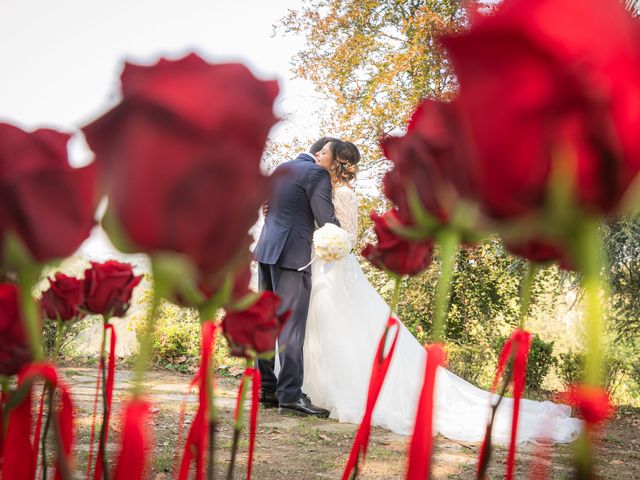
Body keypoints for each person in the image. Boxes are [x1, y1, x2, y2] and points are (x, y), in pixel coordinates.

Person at [302, 139, 582, 444]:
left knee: (344, 324)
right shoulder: (322, 187)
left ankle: (343, 390)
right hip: (322, 263)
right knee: (326, 323)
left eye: (324, 152)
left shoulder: (343, 193)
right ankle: (315, 388)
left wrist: (330, 241)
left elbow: (350, 234)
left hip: (337, 264)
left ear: (337, 162)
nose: (318, 154)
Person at [253, 136, 340, 417]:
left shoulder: (282, 169)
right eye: (333, 158)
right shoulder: (316, 173)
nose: (335, 164)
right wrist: (340, 233)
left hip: (267, 252)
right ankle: (290, 395)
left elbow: (269, 209)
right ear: (319, 155)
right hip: (293, 258)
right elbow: (325, 219)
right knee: (291, 326)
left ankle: (266, 389)